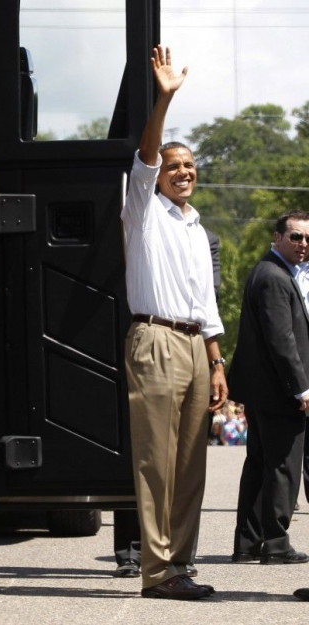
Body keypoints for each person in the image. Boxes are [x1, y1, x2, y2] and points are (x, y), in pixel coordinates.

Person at [121, 45, 227, 600]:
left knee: (191, 464)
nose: (182, 172)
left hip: (193, 346)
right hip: (155, 337)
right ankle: (157, 571)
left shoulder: (193, 225)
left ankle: (179, 565)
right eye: (173, 165)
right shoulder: (142, 209)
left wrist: (216, 359)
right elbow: (144, 156)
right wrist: (164, 99)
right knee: (157, 464)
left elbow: (205, 300)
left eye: (190, 165)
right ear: (159, 174)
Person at [229, 211, 309, 566]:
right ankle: (276, 542)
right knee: (282, 466)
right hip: (279, 392)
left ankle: (248, 542)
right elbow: (282, 340)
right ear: (276, 238)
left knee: (260, 463)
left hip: (263, 391)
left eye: (307, 238)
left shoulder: (269, 271)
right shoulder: (275, 277)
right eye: (295, 237)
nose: (303, 244)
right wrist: (301, 389)